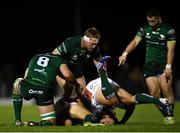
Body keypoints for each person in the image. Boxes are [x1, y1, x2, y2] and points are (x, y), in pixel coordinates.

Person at [118, 8, 176, 124]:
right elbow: (135, 42)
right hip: (149, 66)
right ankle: (166, 113)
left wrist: (168, 66)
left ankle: (170, 117)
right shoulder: (144, 29)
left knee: (166, 90)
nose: (151, 23)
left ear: (159, 18)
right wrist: (125, 53)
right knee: (154, 94)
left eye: (153, 21)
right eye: (149, 21)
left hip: (163, 66)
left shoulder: (169, 31)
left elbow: (171, 50)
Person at [12, 53, 99, 127]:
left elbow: (26, 73)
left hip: (28, 86)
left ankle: (18, 120)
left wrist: (27, 86)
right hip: (46, 92)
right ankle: (40, 124)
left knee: (17, 83)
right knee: (51, 121)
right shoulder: (60, 61)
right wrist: (75, 85)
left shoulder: (36, 56)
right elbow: (68, 76)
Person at [52, 27, 102, 92]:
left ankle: (75, 101)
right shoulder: (72, 42)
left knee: (83, 87)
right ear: (85, 39)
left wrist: (105, 79)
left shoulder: (95, 49)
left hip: (74, 66)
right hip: (61, 66)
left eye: (95, 44)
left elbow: (100, 64)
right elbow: (54, 54)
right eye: (92, 44)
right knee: (69, 89)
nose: (94, 46)